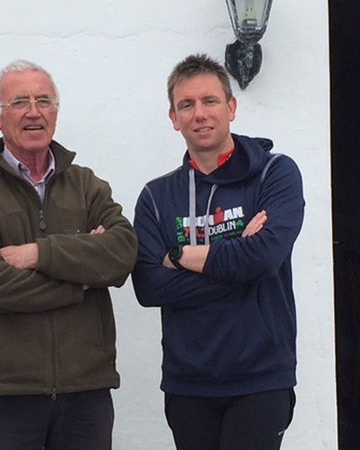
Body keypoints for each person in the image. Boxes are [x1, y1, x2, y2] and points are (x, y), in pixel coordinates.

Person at [0, 60, 138, 450]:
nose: (34, 112)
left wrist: (39, 254)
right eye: (19, 101)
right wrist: (81, 281)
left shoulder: (87, 185)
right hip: (2, 395)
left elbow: (122, 252)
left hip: (85, 390)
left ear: (56, 112)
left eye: (44, 101)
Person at [131, 53, 305, 450]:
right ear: (174, 118)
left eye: (210, 101)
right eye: (186, 105)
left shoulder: (274, 173)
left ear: (231, 107)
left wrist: (179, 256)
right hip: (188, 383)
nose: (199, 114)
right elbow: (149, 287)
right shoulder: (156, 197)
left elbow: (264, 258)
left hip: (261, 378)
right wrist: (240, 258)